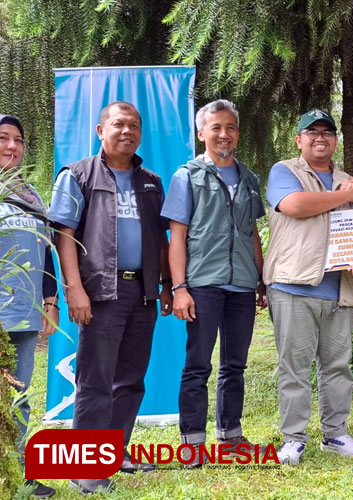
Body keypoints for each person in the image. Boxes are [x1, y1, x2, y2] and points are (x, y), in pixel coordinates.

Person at [49, 101, 172, 493]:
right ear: (101, 131)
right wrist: (74, 288)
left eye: (134, 125)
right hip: (101, 291)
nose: (127, 131)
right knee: (95, 380)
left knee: (131, 380)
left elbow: (161, 238)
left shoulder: (150, 180)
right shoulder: (77, 175)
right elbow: (63, 234)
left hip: (143, 292)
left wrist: (167, 284)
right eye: (118, 124)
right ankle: (86, 467)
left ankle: (113, 452)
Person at [265, 109, 353, 465]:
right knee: (294, 367)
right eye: (311, 132)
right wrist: (348, 195)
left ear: (336, 140)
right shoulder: (285, 171)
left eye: (327, 132)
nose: (320, 137)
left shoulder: (348, 180)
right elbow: (295, 205)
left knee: (337, 367)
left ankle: (336, 433)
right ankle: (294, 438)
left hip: (340, 290)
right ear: (299, 140)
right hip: (294, 285)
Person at [162, 99, 266, 466]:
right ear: (201, 132)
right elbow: (177, 236)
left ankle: (230, 436)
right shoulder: (186, 176)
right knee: (197, 365)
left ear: (237, 133)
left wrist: (261, 278)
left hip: (242, 284)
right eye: (216, 127)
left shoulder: (249, 177)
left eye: (231, 128)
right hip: (202, 284)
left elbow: (252, 232)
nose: (224, 134)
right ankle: (192, 443)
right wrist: (180, 287)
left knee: (235, 365)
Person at [0, 114, 58, 498]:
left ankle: (18, 470)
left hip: (23, 312)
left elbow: (47, 250)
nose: (11, 146)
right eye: (3, 138)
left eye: (17, 140)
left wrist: (51, 302)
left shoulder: (30, 194)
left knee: (18, 394)